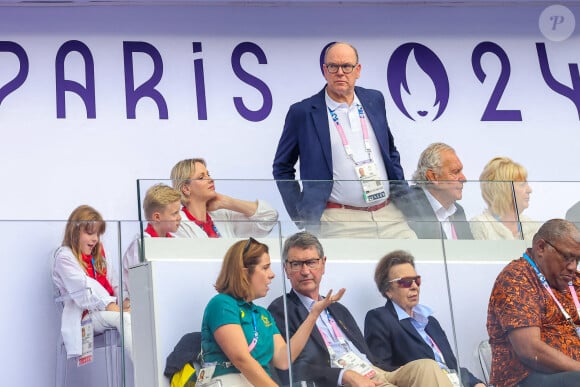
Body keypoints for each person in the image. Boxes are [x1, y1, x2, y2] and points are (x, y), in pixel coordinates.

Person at [268, 231, 453, 387]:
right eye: (297, 264)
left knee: (427, 367)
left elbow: (370, 357)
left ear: (323, 264)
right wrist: (343, 375)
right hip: (342, 380)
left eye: (311, 262)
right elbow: (291, 367)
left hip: (374, 371)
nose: (305, 271)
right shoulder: (281, 309)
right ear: (286, 269)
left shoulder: (338, 309)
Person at [272, 41, 416, 239]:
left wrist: (404, 198)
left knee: (413, 265)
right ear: (324, 70)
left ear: (358, 70)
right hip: (339, 221)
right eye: (333, 66)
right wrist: (301, 214)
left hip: (389, 215)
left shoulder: (375, 100)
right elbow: (282, 167)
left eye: (347, 66)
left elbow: (390, 152)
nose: (340, 72)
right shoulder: (303, 112)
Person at [199, 237, 344, 386]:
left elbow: (283, 360)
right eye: (265, 267)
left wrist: (313, 315)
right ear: (244, 272)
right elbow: (242, 359)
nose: (272, 274)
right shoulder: (222, 304)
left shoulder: (262, 314)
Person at [364, 250, 485, 387]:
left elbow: (451, 366)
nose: (414, 287)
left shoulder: (430, 321)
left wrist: (476, 383)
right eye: (405, 282)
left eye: (416, 280)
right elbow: (382, 369)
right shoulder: (380, 318)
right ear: (388, 290)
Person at [487, 219, 580, 387]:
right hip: (527, 378)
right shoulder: (516, 278)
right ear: (541, 248)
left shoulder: (574, 281)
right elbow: (530, 350)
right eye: (567, 257)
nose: (573, 267)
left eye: (577, 260)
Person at [52, 205, 132, 360]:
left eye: (97, 234)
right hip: (85, 315)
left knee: (141, 315)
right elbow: (85, 286)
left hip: (106, 310)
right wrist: (113, 307)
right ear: (74, 233)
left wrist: (125, 301)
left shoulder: (99, 254)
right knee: (126, 319)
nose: (95, 239)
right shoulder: (64, 257)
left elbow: (114, 282)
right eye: (90, 233)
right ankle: (146, 376)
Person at [170, 158, 278, 238]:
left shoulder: (222, 215)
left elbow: (269, 217)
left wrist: (226, 201)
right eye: (201, 177)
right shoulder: (176, 223)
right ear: (186, 189)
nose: (210, 179)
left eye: (209, 174)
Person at [397, 142, 473, 239]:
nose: (464, 178)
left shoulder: (458, 211)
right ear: (433, 176)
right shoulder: (409, 207)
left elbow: (470, 252)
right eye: (455, 172)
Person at [122, 183, 182, 297]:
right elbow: (140, 286)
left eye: (179, 212)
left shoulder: (176, 241)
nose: (180, 217)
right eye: (175, 213)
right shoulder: (141, 245)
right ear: (157, 217)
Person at [470, 157, 540, 240]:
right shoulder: (481, 224)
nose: (529, 190)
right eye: (522, 184)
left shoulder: (532, 226)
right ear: (503, 189)